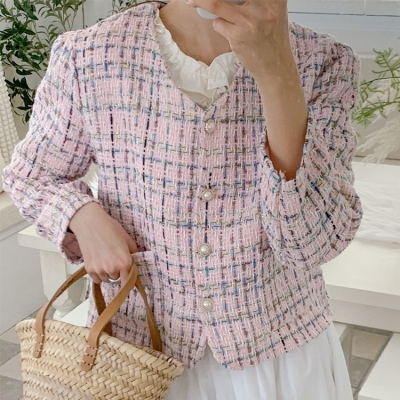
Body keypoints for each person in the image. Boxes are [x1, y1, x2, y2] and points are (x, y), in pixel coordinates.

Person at [2, 0, 362, 398]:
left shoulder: (323, 62)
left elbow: (309, 244)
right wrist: (83, 217)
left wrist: (277, 75)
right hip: (137, 356)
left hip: (279, 357)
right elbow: (33, 175)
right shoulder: (91, 54)